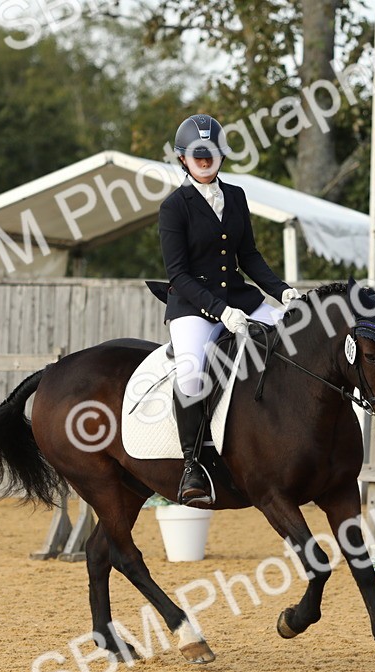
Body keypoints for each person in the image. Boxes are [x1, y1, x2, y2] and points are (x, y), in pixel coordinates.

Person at [158, 113, 302, 506]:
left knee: (292, 343)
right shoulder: (174, 207)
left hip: (241, 299)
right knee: (190, 375)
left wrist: (281, 292)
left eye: (211, 154)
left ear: (221, 155)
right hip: (192, 306)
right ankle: (192, 465)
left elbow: (249, 257)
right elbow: (179, 274)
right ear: (183, 158)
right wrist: (219, 311)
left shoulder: (235, 196)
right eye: (197, 155)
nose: (205, 161)